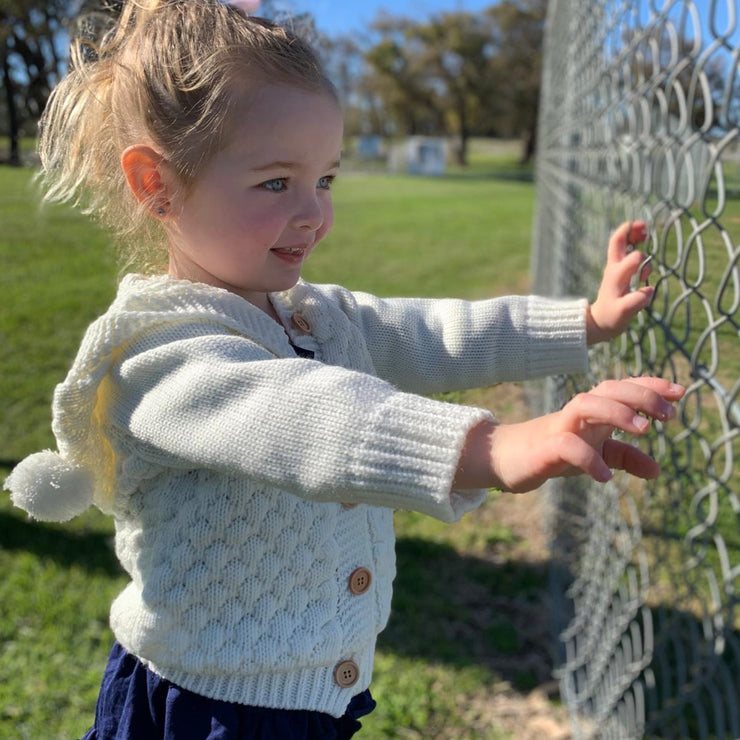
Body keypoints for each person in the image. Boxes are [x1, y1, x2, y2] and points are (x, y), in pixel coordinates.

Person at [4, 1, 684, 738]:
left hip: (311, 698)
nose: (314, 214)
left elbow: (437, 332)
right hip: (205, 708)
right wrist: (495, 448)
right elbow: (309, 418)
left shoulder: (311, 315)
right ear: (155, 184)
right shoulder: (161, 357)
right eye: (276, 183)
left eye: (325, 180)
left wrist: (582, 320)